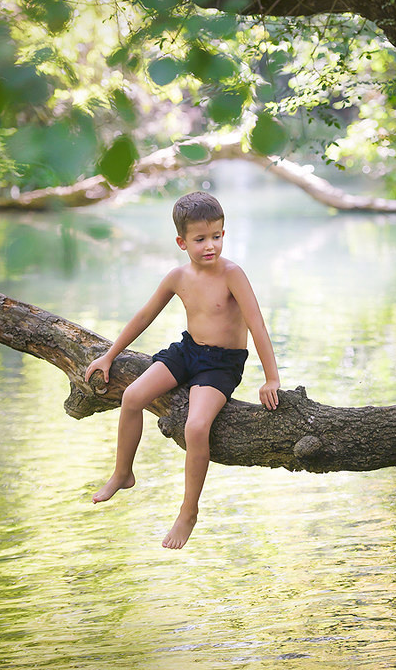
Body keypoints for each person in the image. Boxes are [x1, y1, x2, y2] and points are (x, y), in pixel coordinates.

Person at [85, 191, 280, 549]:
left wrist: (271, 378)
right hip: (188, 351)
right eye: (201, 239)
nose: (211, 246)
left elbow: (257, 325)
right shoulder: (178, 277)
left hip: (221, 364)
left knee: (196, 425)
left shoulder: (233, 274)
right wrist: (110, 355)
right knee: (132, 396)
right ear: (181, 242)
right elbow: (145, 316)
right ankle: (122, 472)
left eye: (217, 236)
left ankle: (188, 511)